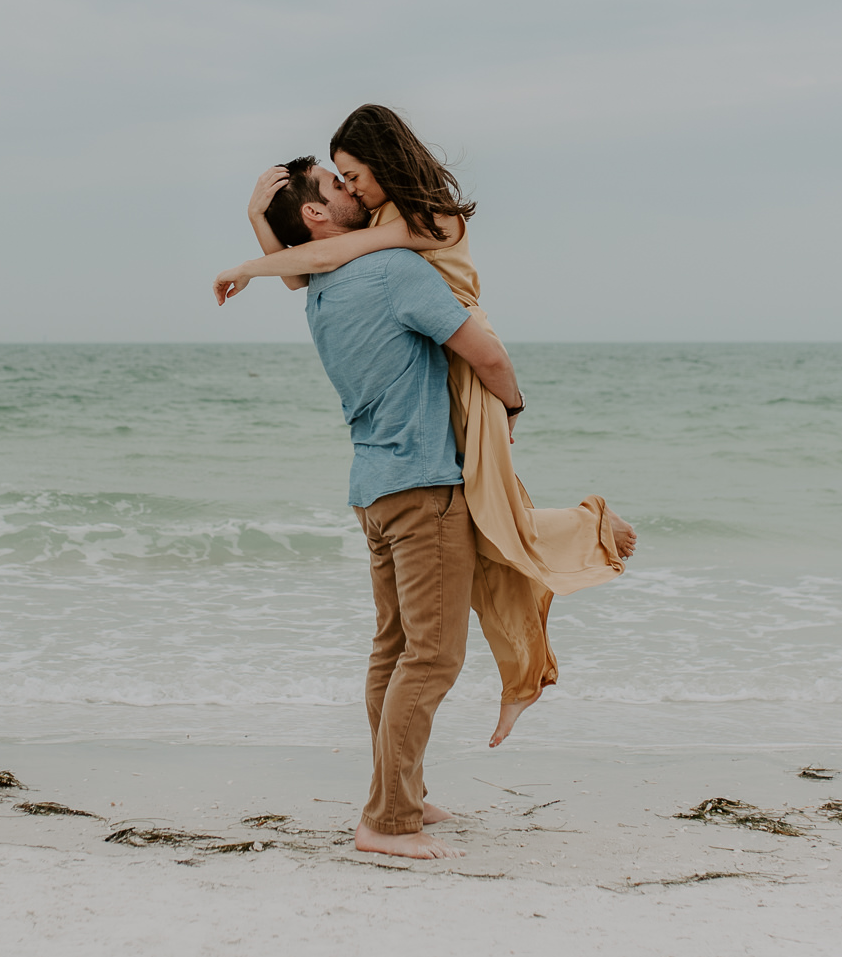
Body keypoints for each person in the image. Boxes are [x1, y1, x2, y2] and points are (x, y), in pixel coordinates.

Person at [214, 107, 637, 747]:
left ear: (384, 165)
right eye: (341, 181)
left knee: (490, 523)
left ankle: (560, 597)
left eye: (353, 175)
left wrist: (251, 260)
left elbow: (328, 254)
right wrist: (257, 229)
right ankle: (573, 572)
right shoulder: (372, 246)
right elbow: (315, 260)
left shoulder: (429, 221)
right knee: (491, 530)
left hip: (457, 356)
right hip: (448, 359)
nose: (350, 187)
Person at [250, 157, 527, 860]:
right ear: (316, 215)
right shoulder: (395, 273)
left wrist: (260, 219)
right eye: (335, 186)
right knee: (432, 658)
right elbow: (485, 355)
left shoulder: (318, 290)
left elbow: (289, 264)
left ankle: (402, 793)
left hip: (373, 490)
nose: (351, 190)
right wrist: (513, 410)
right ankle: (388, 821)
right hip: (426, 488)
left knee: (395, 650)